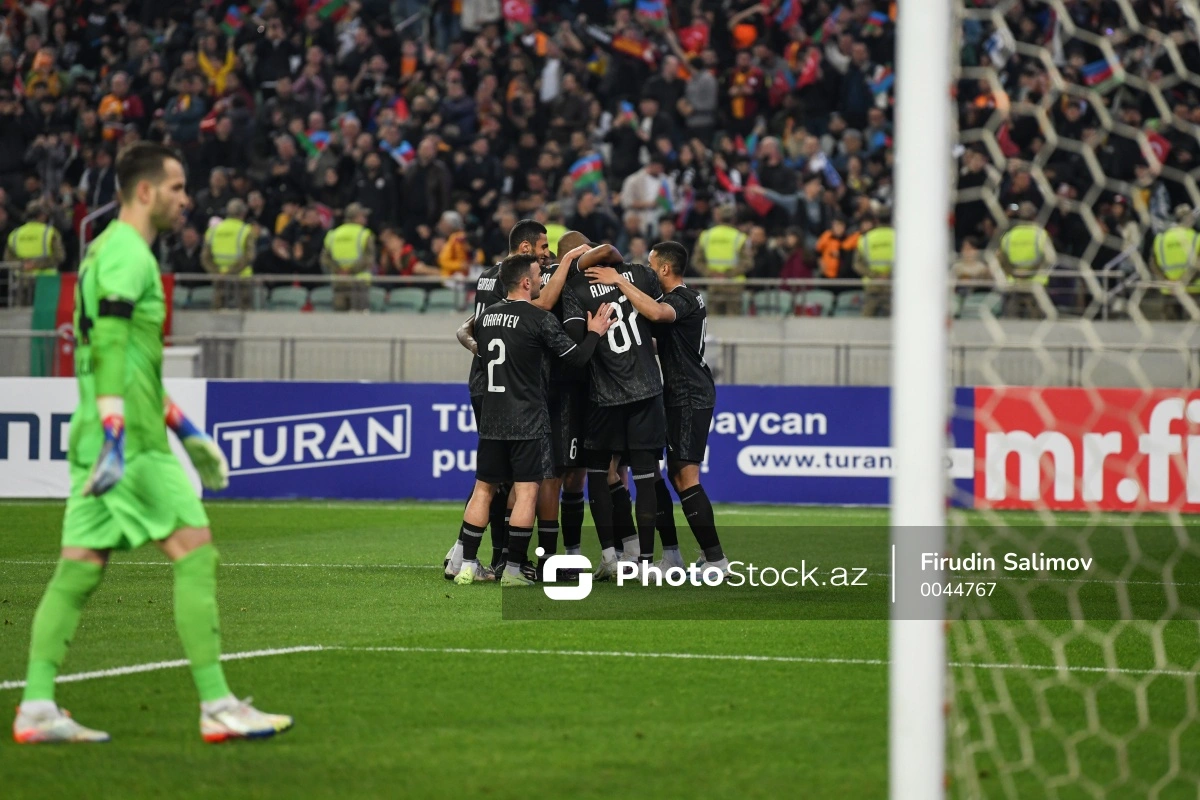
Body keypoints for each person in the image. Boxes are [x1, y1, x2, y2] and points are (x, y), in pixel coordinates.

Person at [12, 141, 291, 745]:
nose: (186, 199)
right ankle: (216, 704)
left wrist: (187, 431)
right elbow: (110, 347)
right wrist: (118, 430)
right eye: (177, 188)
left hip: (112, 433)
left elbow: (135, 364)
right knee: (196, 551)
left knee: (78, 570)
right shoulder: (129, 256)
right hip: (127, 443)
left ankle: (36, 706)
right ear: (145, 191)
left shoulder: (108, 252)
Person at [453, 253, 613, 586]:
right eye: (539, 275)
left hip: (492, 418)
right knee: (526, 494)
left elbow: (474, 346)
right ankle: (513, 570)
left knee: (483, 490)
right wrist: (595, 332)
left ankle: (467, 563)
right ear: (526, 282)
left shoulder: (487, 317)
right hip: (527, 418)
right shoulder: (539, 320)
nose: (542, 280)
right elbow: (576, 359)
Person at [585, 241, 731, 575]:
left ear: (664, 268)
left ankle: (716, 559)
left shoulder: (681, 298)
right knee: (658, 474)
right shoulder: (679, 297)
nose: (647, 272)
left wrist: (619, 280)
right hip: (673, 393)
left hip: (688, 394)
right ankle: (674, 556)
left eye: (651, 266)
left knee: (685, 476)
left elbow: (656, 313)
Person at [561, 240, 669, 577]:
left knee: (598, 475)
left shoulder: (574, 288)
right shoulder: (637, 274)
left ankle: (609, 557)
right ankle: (646, 562)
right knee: (646, 479)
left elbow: (577, 348)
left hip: (604, 395)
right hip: (647, 390)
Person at [997, 202, 1055, 319]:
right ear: (1034, 216)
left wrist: (1013, 272)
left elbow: (1000, 259)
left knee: (1010, 320)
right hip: (1036, 282)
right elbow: (1051, 258)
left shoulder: (1008, 236)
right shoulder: (1040, 235)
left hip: (1014, 282)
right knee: (1037, 321)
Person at [692, 204, 751, 315]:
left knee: (715, 323)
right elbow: (747, 263)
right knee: (733, 323)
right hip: (734, 286)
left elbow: (696, 261)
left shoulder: (706, 236)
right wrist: (727, 274)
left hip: (713, 285)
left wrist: (711, 273)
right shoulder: (740, 237)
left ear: (718, 217)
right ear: (734, 219)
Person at [4, 199, 65, 305]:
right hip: (46, 282)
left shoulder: (15, 234)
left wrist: (23, 265)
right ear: (42, 216)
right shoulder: (50, 232)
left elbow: (8, 259)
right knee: (45, 317)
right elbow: (59, 256)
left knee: (21, 318)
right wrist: (37, 264)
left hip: (22, 283)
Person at [1147, 204, 1200, 320]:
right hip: (1194, 290)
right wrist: (1183, 282)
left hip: (1169, 291)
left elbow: (1153, 264)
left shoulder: (1161, 239)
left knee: (1170, 330)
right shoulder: (1196, 238)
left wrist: (1166, 280)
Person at [321, 202, 376, 312]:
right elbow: (369, 259)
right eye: (363, 216)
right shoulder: (364, 234)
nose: (365, 220)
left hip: (339, 282)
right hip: (359, 283)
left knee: (340, 321)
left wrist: (338, 270)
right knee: (360, 319)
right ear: (355, 218)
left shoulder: (333, 234)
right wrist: (351, 271)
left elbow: (324, 259)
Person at [201, 198, 255, 310]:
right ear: (243, 213)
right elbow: (249, 256)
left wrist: (217, 273)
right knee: (244, 314)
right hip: (242, 278)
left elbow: (205, 257)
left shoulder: (213, 230)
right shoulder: (246, 230)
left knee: (218, 311)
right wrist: (231, 272)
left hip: (219, 277)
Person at [854, 210, 896, 318]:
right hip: (892, 286)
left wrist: (876, 276)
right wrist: (889, 275)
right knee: (894, 325)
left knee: (867, 323)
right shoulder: (902, 238)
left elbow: (857, 264)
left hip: (872, 287)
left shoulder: (865, 239)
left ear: (876, 221)